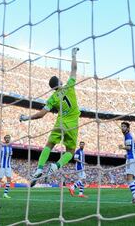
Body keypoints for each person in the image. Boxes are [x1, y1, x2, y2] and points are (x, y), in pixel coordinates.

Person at [20, 48, 81, 187]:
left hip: (60, 123)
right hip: (73, 124)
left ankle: (39, 169)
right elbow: (74, 68)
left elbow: (41, 114)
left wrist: (26, 118)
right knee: (71, 151)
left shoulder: (52, 98)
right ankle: (56, 166)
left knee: (49, 145)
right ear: (59, 82)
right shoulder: (69, 86)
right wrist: (73, 55)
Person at [119, 122, 135, 203]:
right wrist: (127, 154)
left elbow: (129, 147)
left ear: (128, 128)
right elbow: (134, 148)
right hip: (134, 158)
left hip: (132, 159)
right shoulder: (130, 136)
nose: (122, 128)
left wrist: (122, 147)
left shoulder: (127, 136)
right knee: (132, 177)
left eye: (124, 126)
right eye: (122, 126)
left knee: (129, 178)